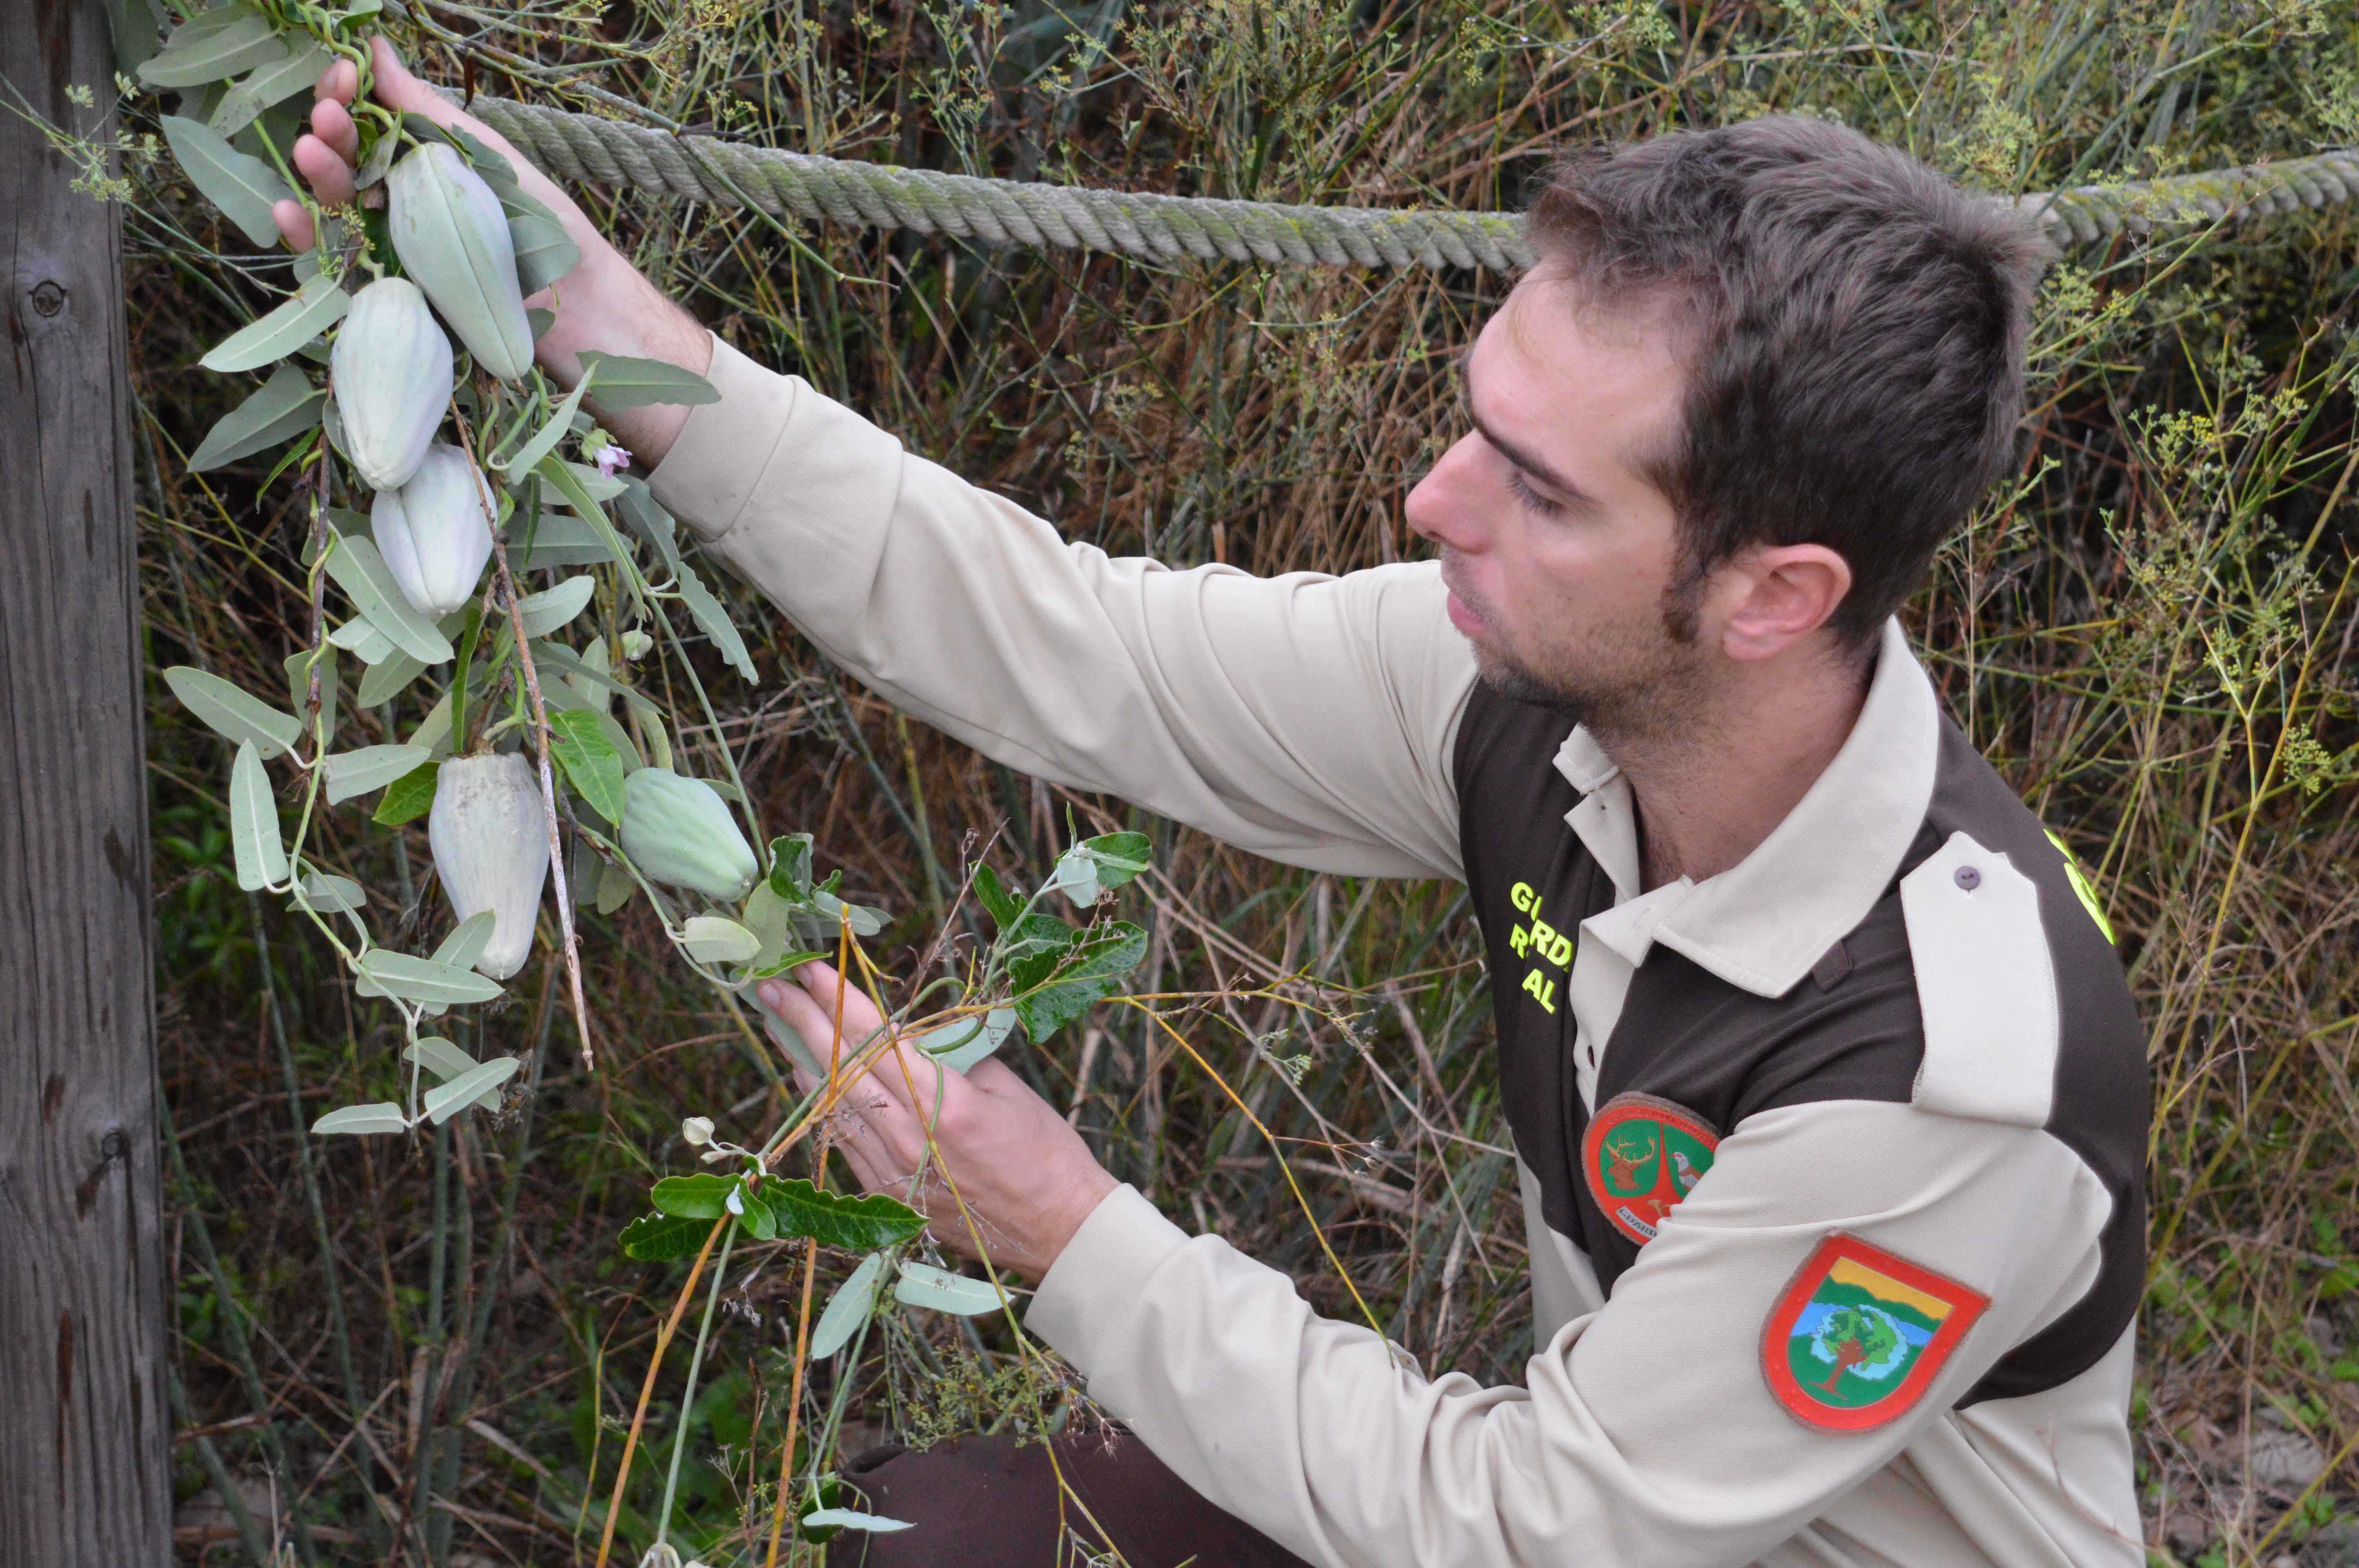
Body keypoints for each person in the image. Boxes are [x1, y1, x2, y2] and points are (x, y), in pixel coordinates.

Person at [279, 42, 2148, 1567]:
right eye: (1471, 417)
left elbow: (1532, 1526)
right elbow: (1080, 647)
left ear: (1771, 595)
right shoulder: (1525, 693)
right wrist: (575, 296)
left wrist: (1060, 1224)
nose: (1433, 503)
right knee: (940, 1539)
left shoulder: (1938, 1073)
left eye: (1540, 486)